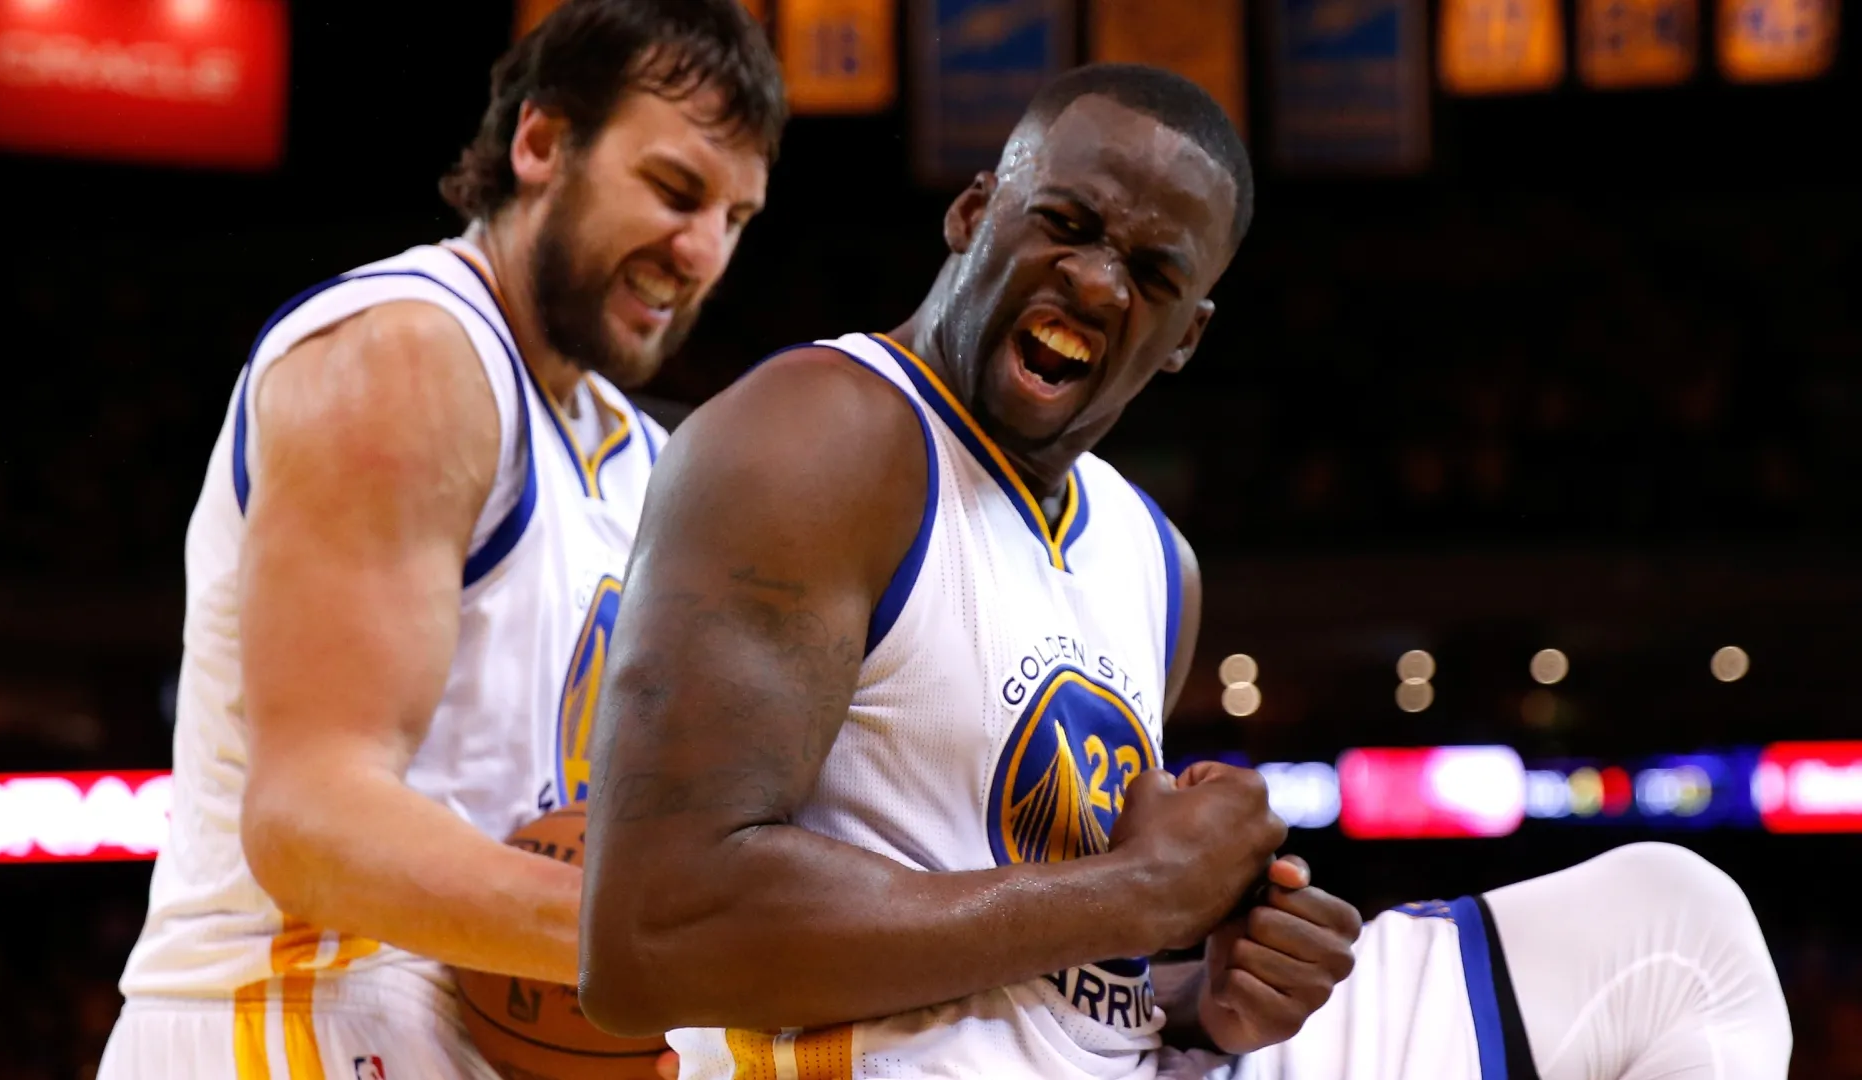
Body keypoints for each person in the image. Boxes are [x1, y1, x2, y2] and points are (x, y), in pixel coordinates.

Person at [576, 63, 1792, 1080]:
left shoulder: (1154, 560)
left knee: (1677, 933)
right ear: (971, 212)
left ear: (1185, 339)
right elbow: (651, 935)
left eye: (1154, 274)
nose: (1099, 282)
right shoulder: (821, 434)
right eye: (1067, 223)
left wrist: (1218, 990)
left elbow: (1077, 972)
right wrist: (1139, 894)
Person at [98, 3, 785, 1077]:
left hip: (451, 1033)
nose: (701, 250)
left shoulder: (642, 457)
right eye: (674, 189)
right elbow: (311, 823)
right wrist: (647, 947)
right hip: (290, 1018)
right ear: (542, 144)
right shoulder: (408, 350)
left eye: (737, 218)